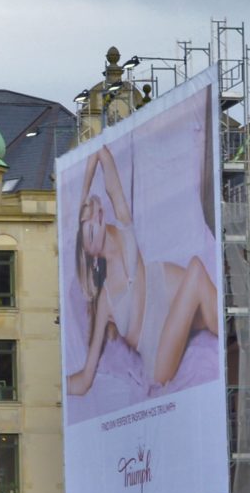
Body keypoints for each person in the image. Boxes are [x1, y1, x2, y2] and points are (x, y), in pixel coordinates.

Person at [66, 140, 221, 398]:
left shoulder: (126, 234)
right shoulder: (105, 298)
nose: (95, 222)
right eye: (88, 230)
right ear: (90, 257)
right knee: (195, 270)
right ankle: (233, 336)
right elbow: (85, 378)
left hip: (175, 316)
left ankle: (232, 336)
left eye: (93, 218)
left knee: (202, 296)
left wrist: (82, 198)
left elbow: (103, 157)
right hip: (159, 358)